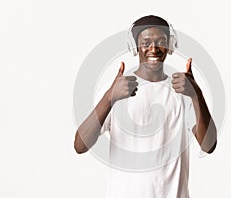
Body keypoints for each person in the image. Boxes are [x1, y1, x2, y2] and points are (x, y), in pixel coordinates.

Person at [74, 15, 217, 198]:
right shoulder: (116, 88)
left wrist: (196, 95)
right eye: (146, 42)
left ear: (170, 45)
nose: (154, 48)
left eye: (160, 41)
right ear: (135, 47)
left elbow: (209, 145)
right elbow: (80, 145)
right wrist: (110, 97)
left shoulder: (183, 90)